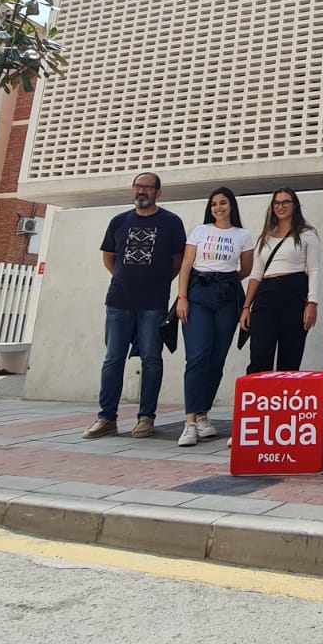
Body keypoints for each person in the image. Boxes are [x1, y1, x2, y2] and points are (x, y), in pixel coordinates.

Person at [85, 172, 186, 440]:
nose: (141, 191)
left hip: (153, 304)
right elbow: (109, 257)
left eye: (147, 188)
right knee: (113, 359)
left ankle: (146, 418)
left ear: (158, 193)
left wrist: (157, 282)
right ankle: (106, 418)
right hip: (118, 302)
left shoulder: (172, 223)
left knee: (151, 360)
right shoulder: (119, 222)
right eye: (138, 187)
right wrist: (123, 278)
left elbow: (177, 261)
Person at [173, 186, 255, 447]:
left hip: (226, 298)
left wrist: (225, 280)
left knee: (217, 357)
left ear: (231, 205)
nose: (218, 208)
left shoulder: (243, 235)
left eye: (223, 203)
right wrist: (182, 298)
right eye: (214, 204)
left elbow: (246, 269)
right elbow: (186, 265)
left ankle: (203, 414)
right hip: (197, 296)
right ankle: (189, 422)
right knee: (197, 356)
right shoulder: (200, 231)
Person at [240, 188, 321, 373]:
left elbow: (314, 269)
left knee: (290, 357)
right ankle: (259, 399)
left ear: (295, 205)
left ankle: (283, 400)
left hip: (294, 292)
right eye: (277, 203)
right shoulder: (265, 236)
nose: (281, 206)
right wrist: (246, 307)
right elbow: (256, 274)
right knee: (259, 355)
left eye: (286, 202)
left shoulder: (307, 234)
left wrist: (313, 302)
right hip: (266, 294)